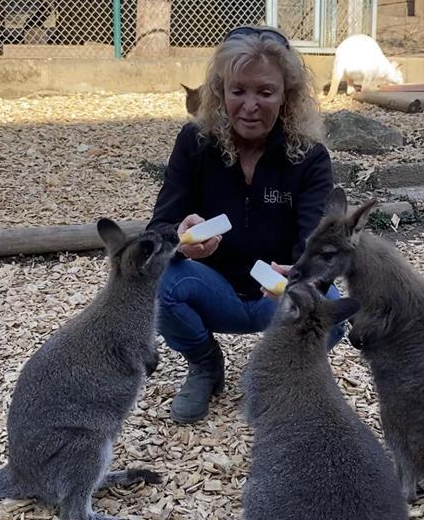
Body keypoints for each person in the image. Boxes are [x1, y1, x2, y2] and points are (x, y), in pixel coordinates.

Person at [147, 26, 344, 423]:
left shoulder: (310, 157)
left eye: (265, 93)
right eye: (238, 91)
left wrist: (300, 278)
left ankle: (281, 372)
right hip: (212, 289)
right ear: (220, 92)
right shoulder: (195, 142)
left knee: (331, 306)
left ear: (287, 96)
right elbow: (157, 231)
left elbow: (317, 245)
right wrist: (179, 240)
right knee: (159, 278)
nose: (250, 106)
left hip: (277, 296)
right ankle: (205, 365)